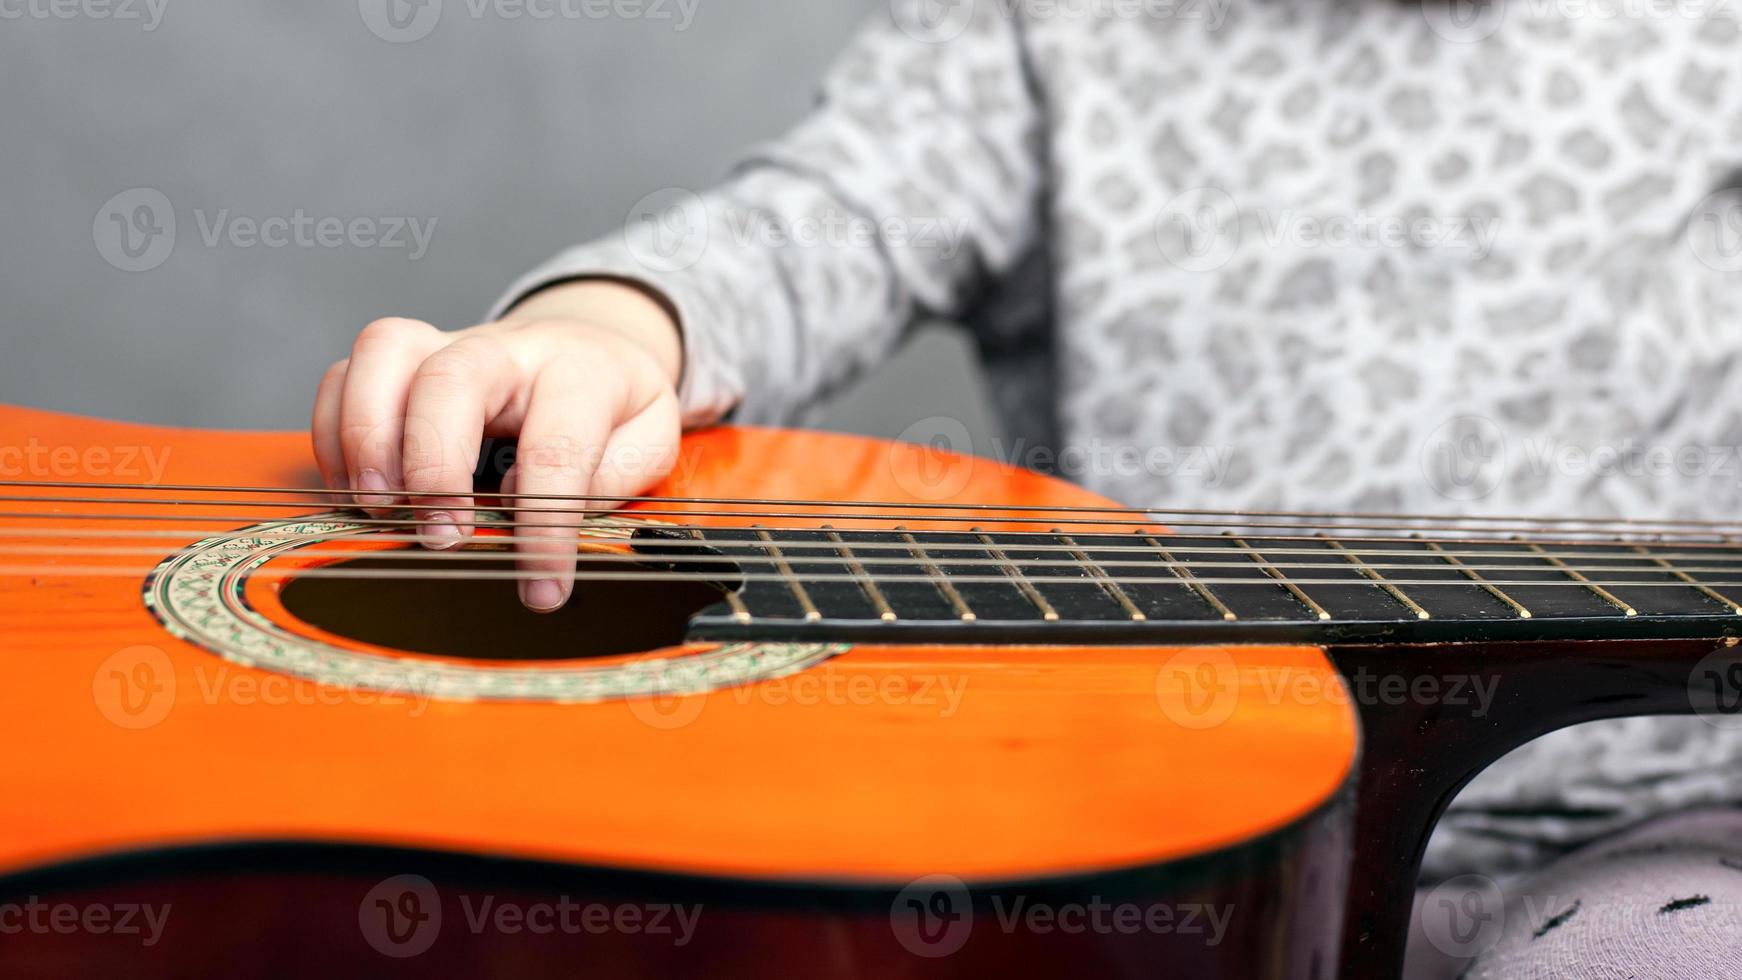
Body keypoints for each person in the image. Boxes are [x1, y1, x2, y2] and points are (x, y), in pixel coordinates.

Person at [309, 5, 1742, 975]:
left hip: (1637, 829)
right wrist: (608, 331)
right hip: (1145, 846)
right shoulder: (1042, 26)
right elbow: (815, 223)